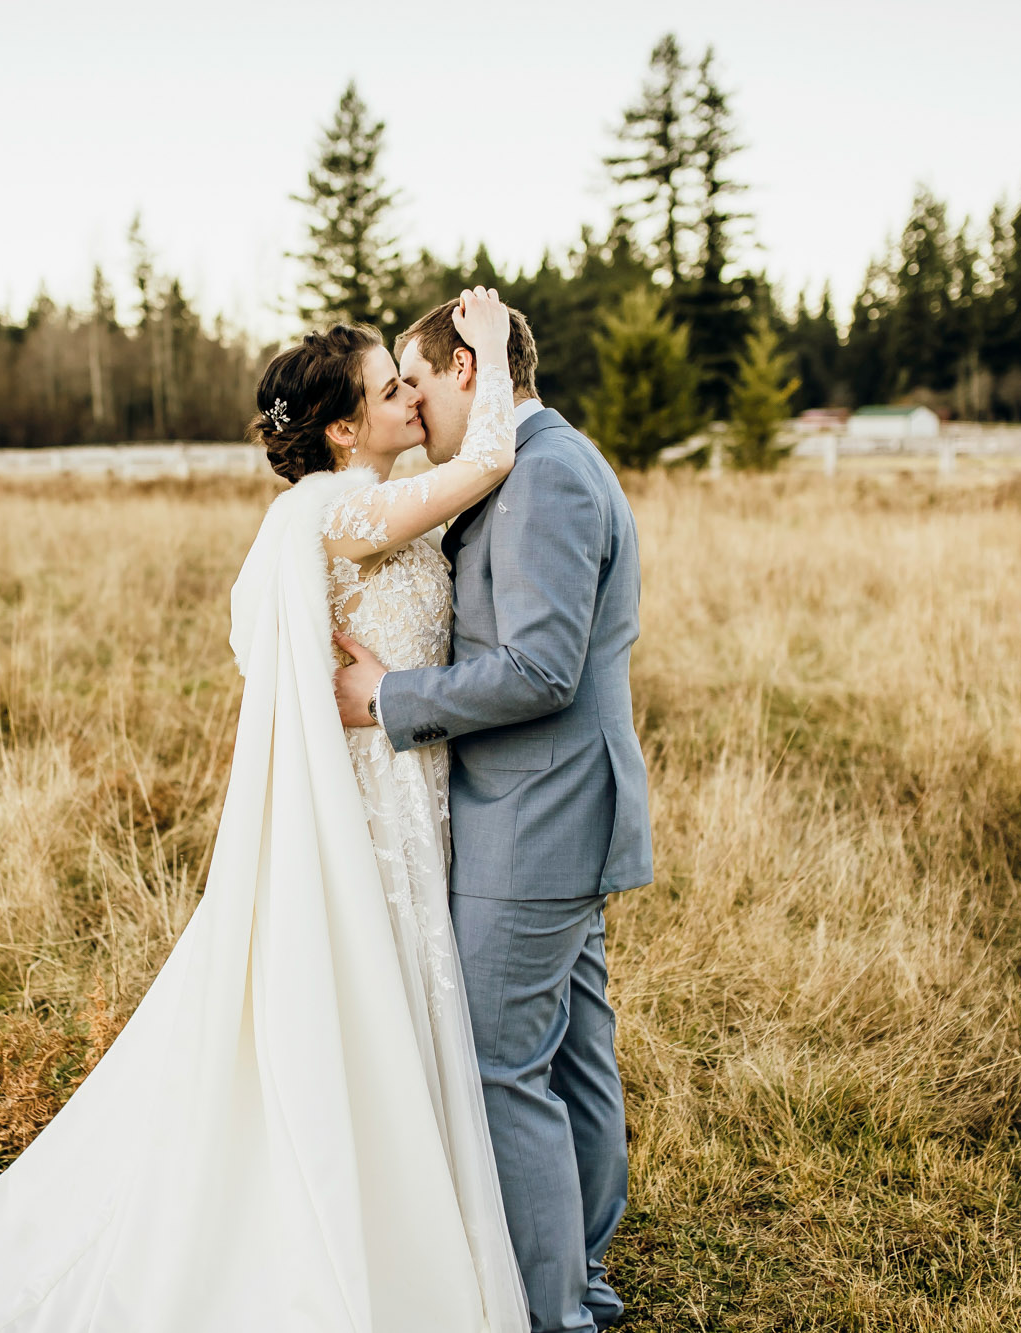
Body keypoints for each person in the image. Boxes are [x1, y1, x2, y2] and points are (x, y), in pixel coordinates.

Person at [0, 289, 530, 1333]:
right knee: (358, 1005)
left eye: (412, 382)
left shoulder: (388, 500)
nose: (407, 394)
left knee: (395, 1008)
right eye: (388, 387)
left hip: (408, 792)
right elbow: (488, 460)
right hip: (365, 812)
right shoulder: (329, 507)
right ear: (342, 428)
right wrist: (485, 350)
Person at [333, 296, 655, 1333]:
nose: (411, 406)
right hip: (552, 805)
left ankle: (554, 1307)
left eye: (418, 383)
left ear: (466, 370)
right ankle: (582, 1282)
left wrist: (388, 700)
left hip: (537, 812)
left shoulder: (548, 476)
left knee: (501, 1064)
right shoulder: (537, 464)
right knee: (568, 1055)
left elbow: (540, 668)